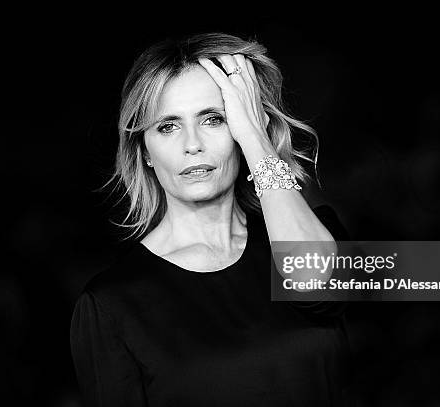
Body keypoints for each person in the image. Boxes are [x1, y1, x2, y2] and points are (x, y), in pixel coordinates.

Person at [70, 32, 351, 406]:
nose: (192, 144)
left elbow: (318, 289)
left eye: (214, 119)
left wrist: (256, 138)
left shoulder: (312, 232)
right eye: (168, 126)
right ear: (146, 152)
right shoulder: (110, 303)